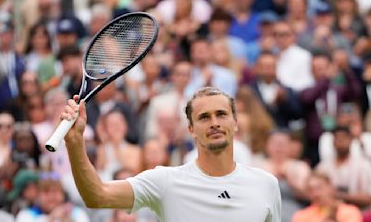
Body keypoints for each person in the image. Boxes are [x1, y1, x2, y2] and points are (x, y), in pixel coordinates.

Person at [61, 86, 281, 221]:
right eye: (204, 117)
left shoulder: (266, 184)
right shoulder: (165, 181)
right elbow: (97, 196)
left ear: (235, 123)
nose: (214, 123)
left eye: (221, 114)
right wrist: (74, 142)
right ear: (191, 130)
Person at [292, 171, 362, 222]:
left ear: (330, 187)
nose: (316, 193)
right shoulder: (301, 216)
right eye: (311, 190)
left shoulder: (350, 211)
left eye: (319, 188)